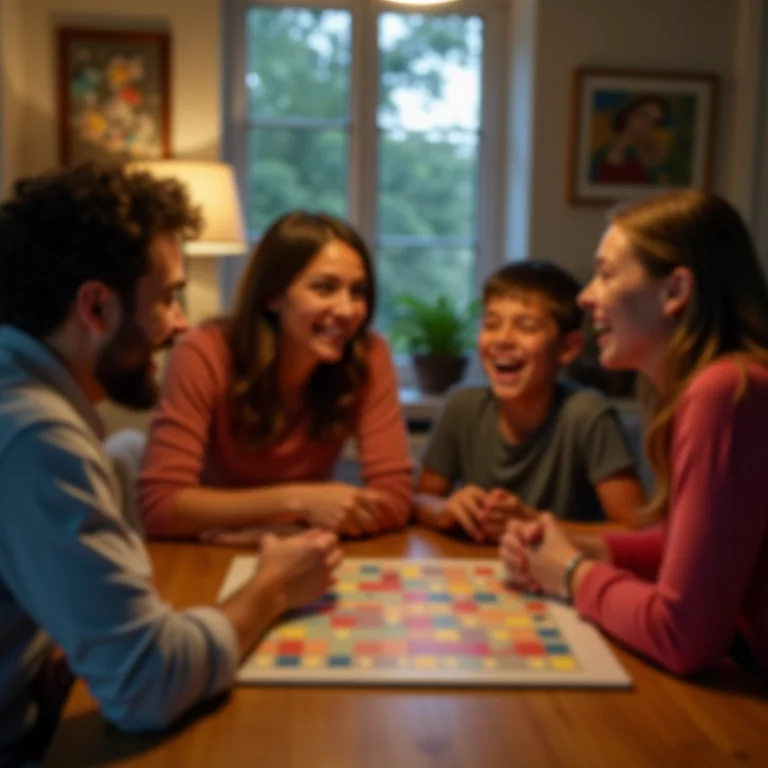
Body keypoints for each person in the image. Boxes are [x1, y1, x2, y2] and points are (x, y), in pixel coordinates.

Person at [0, 164, 342, 766]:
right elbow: (146, 685)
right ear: (96, 307)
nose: (180, 322)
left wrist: (51, 640)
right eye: (166, 298)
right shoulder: (36, 434)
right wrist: (273, 587)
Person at [501, 190, 768, 678]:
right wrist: (589, 549)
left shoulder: (725, 391)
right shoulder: (723, 385)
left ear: (675, 291)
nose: (585, 297)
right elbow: (691, 544)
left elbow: (683, 635)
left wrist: (569, 573)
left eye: (605, 274)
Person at [138, 211, 413, 543]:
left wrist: (278, 529)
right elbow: (160, 507)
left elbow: (396, 499)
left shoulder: (368, 354)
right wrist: (301, 502)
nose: (347, 310)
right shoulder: (204, 353)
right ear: (273, 296)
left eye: (358, 291)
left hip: (298, 548)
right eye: (324, 288)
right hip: (205, 555)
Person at [414, 261, 645, 543]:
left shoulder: (587, 414)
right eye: (491, 324)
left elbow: (636, 530)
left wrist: (535, 524)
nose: (503, 339)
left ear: (568, 348)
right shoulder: (462, 406)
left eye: (526, 326)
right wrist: (445, 508)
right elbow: (419, 498)